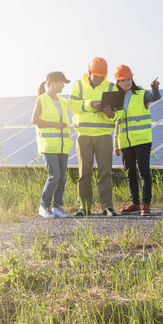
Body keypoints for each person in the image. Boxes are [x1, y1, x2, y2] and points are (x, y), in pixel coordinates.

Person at [68, 57, 119, 216]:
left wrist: (111, 115)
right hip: (84, 136)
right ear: (89, 72)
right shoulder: (78, 85)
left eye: (102, 76)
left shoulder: (111, 87)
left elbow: (117, 113)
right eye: (96, 76)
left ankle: (107, 207)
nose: (99, 79)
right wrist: (91, 104)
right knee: (84, 173)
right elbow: (72, 105)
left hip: (104, 136)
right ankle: (84, 207)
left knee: (106, 173)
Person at [109, 65, 160, 216]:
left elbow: (155, 97)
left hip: (142, 141)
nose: (127, 82)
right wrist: (116, 144)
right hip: (125, 142)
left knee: (144, 173)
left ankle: (146, 205)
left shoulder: (142, 94)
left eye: (129, 79)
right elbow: (117, 122)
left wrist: (154, 88)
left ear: (132, 79)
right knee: (130, 174)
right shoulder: (116, 99)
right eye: (123, 80)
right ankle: (135, 203)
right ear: (117, 82)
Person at [31, 71, 73, 218]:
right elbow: (35, 120)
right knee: (54, 175)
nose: (63, 86)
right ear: (53, 83)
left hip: (63, 145)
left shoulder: (63, 101)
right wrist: (55, 124)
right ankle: (44, 206)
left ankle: (57, 207)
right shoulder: (42, 99)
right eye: (61, 82)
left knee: (62, 177)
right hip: (49, 145)